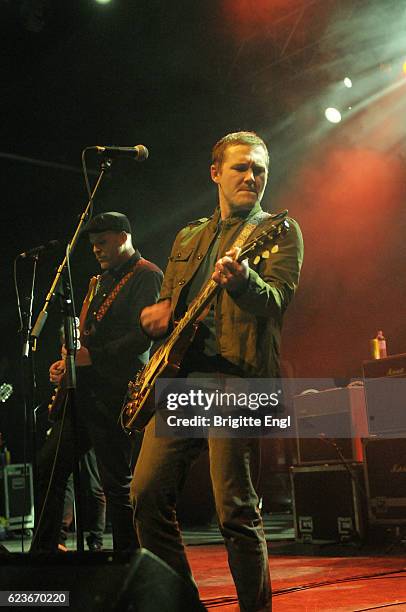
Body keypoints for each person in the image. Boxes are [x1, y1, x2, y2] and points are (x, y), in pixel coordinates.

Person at [131, 132, 304, 611]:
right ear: (215, 173)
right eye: (241, 168)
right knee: (145, 495)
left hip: (239, 379)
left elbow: (276, 303)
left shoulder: (279, 231)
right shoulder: (188, 236)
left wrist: (244, 280)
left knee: (235, 510)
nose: (252, 177)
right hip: (182, 382)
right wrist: (154, 320)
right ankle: (184, 604)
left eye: (260, 170)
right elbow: (169, 310)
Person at [31, 211, 163, 553]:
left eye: (102, 243)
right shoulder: (97, 282)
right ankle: (45, 551)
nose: (96, 250)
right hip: (85, 393)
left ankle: (127, 559)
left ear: (123, 236)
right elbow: (87, 338)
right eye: (92, 246)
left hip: (116, 394)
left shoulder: (147, 275)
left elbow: (143, 338)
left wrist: (95, 357)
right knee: (48, 464)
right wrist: (68, 364)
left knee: (115, 483)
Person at [58, 448, 106, 552]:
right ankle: (59, 538)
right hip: (67, 434)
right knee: (66, 485)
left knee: (94, 489)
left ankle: (96, 539)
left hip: (91, 436)